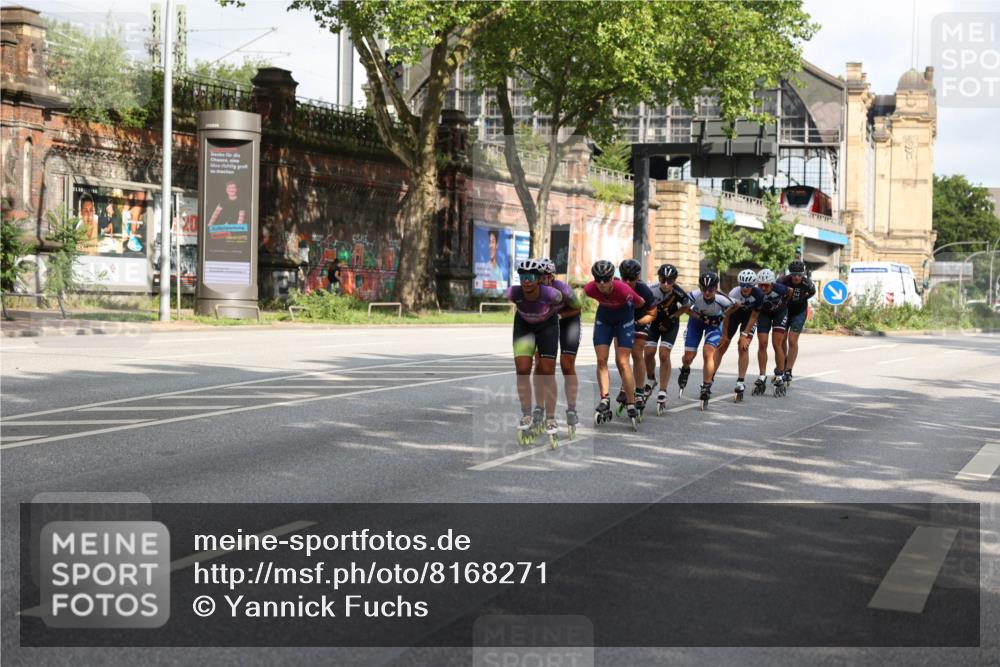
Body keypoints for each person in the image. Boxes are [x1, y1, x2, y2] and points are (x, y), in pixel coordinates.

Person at [507, 258, 564, 446]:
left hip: (547, 326)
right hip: (524, 326)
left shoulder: (552, 294)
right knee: (522, 370)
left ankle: (551, 417)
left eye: (530, 276)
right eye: (522, 276)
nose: (526, 281)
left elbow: (568, 302)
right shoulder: (513, 293)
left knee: (548, 371)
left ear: (539, 278)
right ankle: (526, 415)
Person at [584, 260, 646, 429]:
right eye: (598, 279)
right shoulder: (590, 289)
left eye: (605, 279)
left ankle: (631, 402)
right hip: (604, 320)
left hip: (624, 320)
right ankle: (604, 398)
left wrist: (637, 319)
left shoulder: (623, 289)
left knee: (623, 361)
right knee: (601, 360)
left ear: (612, 278)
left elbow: (640, 303)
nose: (602, 283)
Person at [532, 258, 583, 436]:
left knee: (567, 364)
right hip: (547, 323)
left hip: (568, 320)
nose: (541, 280)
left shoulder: (563, 289)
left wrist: (559, 316)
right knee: (539, 363)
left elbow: (578, 308)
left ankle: (571, 408)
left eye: (545, 276)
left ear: (551, 277)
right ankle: (539, 406)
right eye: (538, 276)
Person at [678, 271, 735, 408]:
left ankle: (706, 386)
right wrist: (698, 316)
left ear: (716, 288)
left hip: (713, 324)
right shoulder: (695, 295)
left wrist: (722, 317)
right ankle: (685, 369)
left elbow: (735, 305)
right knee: (688, 357)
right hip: (696, 322)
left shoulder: (722, 299)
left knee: (708, 353)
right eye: (704, 289)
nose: (707, 292)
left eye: (710, 289)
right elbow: (684, 308)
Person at [643, 263, 693, 413]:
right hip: (653, 322)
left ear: (674, 281)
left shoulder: (679, 293)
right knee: (649, 352)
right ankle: (651, 380)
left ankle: (663, 391)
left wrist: (673, 317)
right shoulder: (651, 290)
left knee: (664, 354)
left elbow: (687, 306)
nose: (665, 284)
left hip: (670, 324)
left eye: (670, 281)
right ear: (659, 278)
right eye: (663, 280)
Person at [715, 269, 765, 400]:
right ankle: (710, 377)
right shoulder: (734, 293)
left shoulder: (759, 295)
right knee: (721, 346)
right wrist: (724, 335)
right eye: (743, 285)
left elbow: (754, 316)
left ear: (753, 285)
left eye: (749, 286)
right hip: (734, 316)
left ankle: (740, 382)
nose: (745, 288)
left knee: (743, 347)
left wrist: (744, 335)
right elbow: (726, 315)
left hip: (749, 319)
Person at [617, 258, 656, 415]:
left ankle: (639, 391)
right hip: (621, 321)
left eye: (631, 279)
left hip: (641, 319)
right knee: (620, 358)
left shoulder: (644, 290)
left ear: (637, 277)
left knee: (636, 352)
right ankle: (625, 385)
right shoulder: (616, 288)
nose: (627, 282)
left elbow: (653, 314)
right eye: (624, 278)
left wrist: (638, 323)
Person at [751, 268, 792, 396]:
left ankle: (779, 374)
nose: (763, 288)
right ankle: (762, 375)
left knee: (776, 343)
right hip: (764, 314)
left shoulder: (779, 288)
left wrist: (784, 303)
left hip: (780, 313)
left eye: (766, 285)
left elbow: (789, 292)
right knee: (762, 344)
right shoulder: (757, 292)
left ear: (772, 284)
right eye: (760, 285)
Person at [777, 259, 817, 386]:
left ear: (803, 274)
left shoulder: (808, 284)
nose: (796, 277)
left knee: (792, 341)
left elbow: (812, 293)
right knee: (781, 339)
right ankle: (783, 363)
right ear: (790, 274)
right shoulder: (782, 281)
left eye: (799, 274)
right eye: (794, 274)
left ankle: (788, 370)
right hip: (785, 310)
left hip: (799, 312)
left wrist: (802, 299)